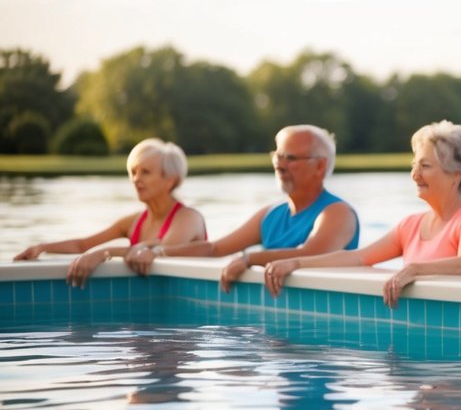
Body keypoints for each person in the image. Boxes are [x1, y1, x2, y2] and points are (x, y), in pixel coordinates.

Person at [263, 121, 461, 307]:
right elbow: (358, 258)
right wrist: (295, 263)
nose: (414, 174)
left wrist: (414, 269)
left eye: (425, 166)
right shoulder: (410, 225)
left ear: (455, 176)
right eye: (414, 165)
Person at [125, 124, 360, 291]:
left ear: (320, 166)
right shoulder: (270, 214)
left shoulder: (337, 212)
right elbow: (215, 248)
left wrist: (249, 259)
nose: (279, 164)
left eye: (290, 157)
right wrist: (157, 252)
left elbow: (310, 254)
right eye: (277, 156)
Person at [13, 138, 206, 287]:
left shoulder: (188, 218)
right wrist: (42, 248)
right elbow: (83, 245)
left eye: (145, 172)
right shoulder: (132, 222)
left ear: (170, 181)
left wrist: (104, 253)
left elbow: (162, 249)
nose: (136, 179)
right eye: (133, 171)